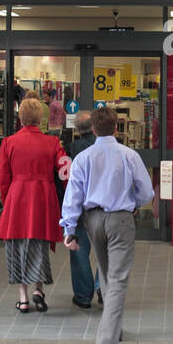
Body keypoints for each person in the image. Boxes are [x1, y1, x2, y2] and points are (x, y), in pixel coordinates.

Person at [60, 105, 155, 344]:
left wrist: (69, 229)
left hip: (93, 220)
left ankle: (114, 329)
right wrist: (133, 204)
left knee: (106, 273)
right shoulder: (129, 155)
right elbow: (146, 192)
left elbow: (73, 197)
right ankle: (107, 341)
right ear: (116, 128)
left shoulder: (83, 158)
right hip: (121, 219)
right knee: (118, 279)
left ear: (93, 129)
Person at [0, 97, 67, 313]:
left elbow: (1, 176)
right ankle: (39, 290)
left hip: (18, 195)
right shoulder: (52, 142)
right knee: (39, 241)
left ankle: (23, 298)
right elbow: (65, 170)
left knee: (17, 244)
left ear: (20, 117)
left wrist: (7, 200)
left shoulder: (9, 142)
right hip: (43, 196)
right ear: (40, 118)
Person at [65, 110, 102, 308]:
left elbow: (67, 181)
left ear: (77, 129)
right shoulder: (104, 147)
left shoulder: (71, 149)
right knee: (104, 251)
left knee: (79, 252)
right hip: (103, 208)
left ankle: (83, 296)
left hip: (80, 209)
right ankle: (101, 286)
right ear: (94, 128)